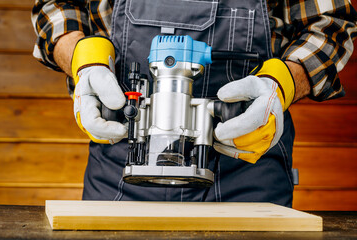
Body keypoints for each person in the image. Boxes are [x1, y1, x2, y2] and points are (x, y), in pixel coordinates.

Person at [31, 0, 357, 207]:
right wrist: (84, 60)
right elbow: (57, 6)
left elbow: (329, 25)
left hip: (246, 163)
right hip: (120, 164)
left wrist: (281, 82)